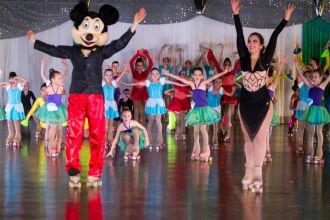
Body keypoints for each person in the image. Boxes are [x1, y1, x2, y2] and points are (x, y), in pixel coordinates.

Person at [27, 2, 146, 188]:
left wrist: (134, 25)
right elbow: (54, 49)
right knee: (73, 134)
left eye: (95, 28)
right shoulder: (73, 51)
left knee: (97, 135)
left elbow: (118, 44)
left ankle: (94, 174)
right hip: (76, 97)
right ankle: (73, 172)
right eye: (86, 26)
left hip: (96, 98)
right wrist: (34, 41)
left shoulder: (101, 52)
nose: (90, 33)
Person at [231, 0, 295, 192]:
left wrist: (285, 20)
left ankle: (258, 171)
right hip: (245, 105)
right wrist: (235, 14)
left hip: (263, 105)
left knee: (259, 140)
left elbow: (275, 36)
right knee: (248, 140)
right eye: (250, 41)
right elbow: (239, 34)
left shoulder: (266, 60)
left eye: (255, 41)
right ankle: (248, 169)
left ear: (261, 45)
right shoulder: (243, 58)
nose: (251, 44)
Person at [164, 67, 229, 162]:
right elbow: (181, 79)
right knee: (195, 131)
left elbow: (213, 77)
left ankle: (206, 149)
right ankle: (196, 148)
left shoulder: (203, 83)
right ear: (193, 76)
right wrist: (169, 74)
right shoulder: (191, 84)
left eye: (199, 75)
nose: (197, 76)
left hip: (204, 110)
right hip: (195, 111)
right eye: (196, 75)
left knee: (203, 130)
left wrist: (224, 72)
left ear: (202, 76)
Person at [295, 61, 330, 164]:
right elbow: (301, 76)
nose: (313, 79)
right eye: (312, 77)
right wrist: (297, 66)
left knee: (319, 133)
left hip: (319, 112)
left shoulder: (322, 86)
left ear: (320, 78)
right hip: (310, 112)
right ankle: (310, 153)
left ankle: (319, 154)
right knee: (310, 134)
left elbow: (328, 78)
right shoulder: (310, 86)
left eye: (316, 77)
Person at [0, 72, 27, 147]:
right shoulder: (8, 87)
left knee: (16, 121)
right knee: (9, 121)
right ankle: (10, 134)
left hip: (17, 106)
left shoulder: (19, 86)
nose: (13, 80)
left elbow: (25, 81)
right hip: (10, 106)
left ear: (17, 80)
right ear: (10, 80)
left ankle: (18, 134)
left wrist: (18, 77)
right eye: (12, 79)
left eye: (15, 79)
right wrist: (6, 82)